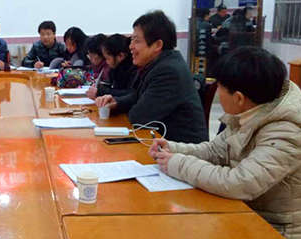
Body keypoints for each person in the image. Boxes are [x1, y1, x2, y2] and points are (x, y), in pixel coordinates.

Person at [149, 47, 301, 239]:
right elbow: (215, 151)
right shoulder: (253, 110)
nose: (217, 91)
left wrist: (178, 163)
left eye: (219, 87)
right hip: (248, 217)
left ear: (239, 98)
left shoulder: (286, 132)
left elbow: (240, 183)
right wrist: (174, 149)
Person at [95, 10, 208, 143]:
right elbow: (137, 96)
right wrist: (116, 103)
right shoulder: (156, 64)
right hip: (158, 142)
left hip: (180, 149)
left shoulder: (168, 71)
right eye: (131, 40)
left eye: (136, 41)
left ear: (157, 45)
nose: (130, 47)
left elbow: (138, 117)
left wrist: (124, 105)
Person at [89, 34, 136, 99]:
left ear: (121, 56)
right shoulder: (115, 69)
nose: (106, 62)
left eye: (107, 58)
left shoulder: (132, 71)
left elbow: (129, 94)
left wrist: (102, 91)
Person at [84, 34, 108, 99]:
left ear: (96, 55)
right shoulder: (98, 68)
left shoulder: (107, 70)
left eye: (90, 55)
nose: (90, 59)